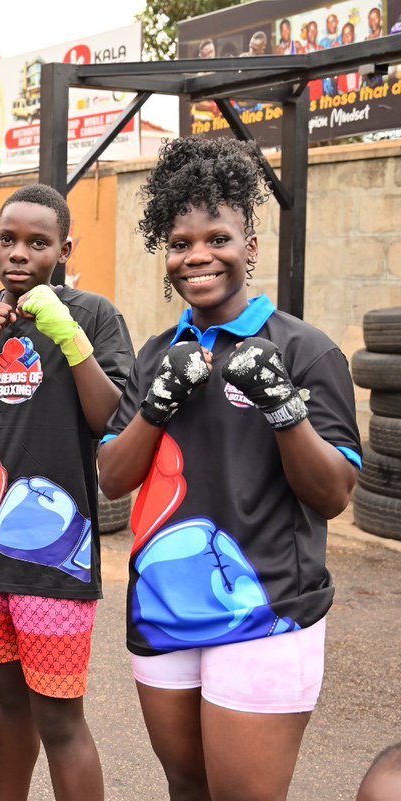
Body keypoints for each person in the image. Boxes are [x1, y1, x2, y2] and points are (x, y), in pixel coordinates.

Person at [97, 137, 361, 801]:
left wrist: (283, 407)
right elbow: (111, 475)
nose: (198, 255)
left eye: (218, 236)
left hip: (264, 612)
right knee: (186, 785)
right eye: (181, 242)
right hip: (162, 611)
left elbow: (332, 493)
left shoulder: (306, 350)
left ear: (251, 246)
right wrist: (156, 405)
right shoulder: (159, 352)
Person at [0, 183, 133, 801]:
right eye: (8, 240)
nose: (20, 253)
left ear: (64, 249)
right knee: (10, 703)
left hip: (53, 557)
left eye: (39, 243)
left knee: (60, 716)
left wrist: (70, 339)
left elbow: (112, 421)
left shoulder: (93, 315)